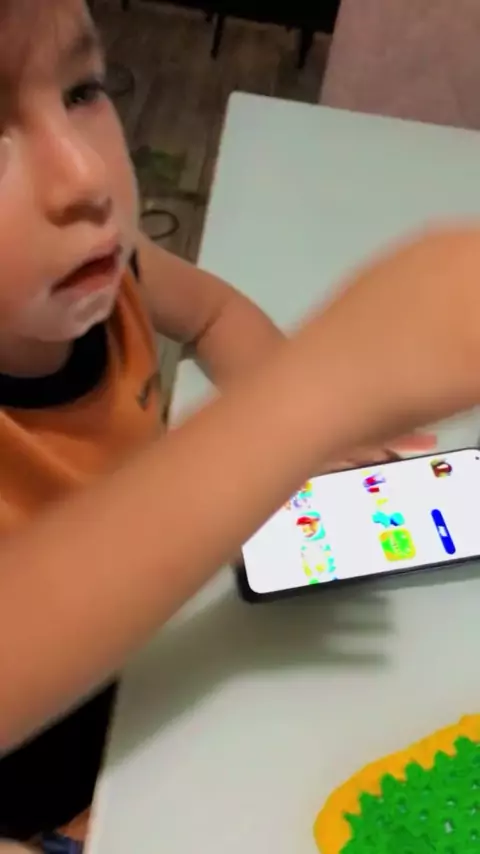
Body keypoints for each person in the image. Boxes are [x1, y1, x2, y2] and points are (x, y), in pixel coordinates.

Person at [1, 0, 480, 851]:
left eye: (82, 90)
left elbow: (213, 311)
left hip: (152, 682)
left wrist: (295, 405)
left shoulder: (116, 274)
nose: (86, 178)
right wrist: (312, 396)